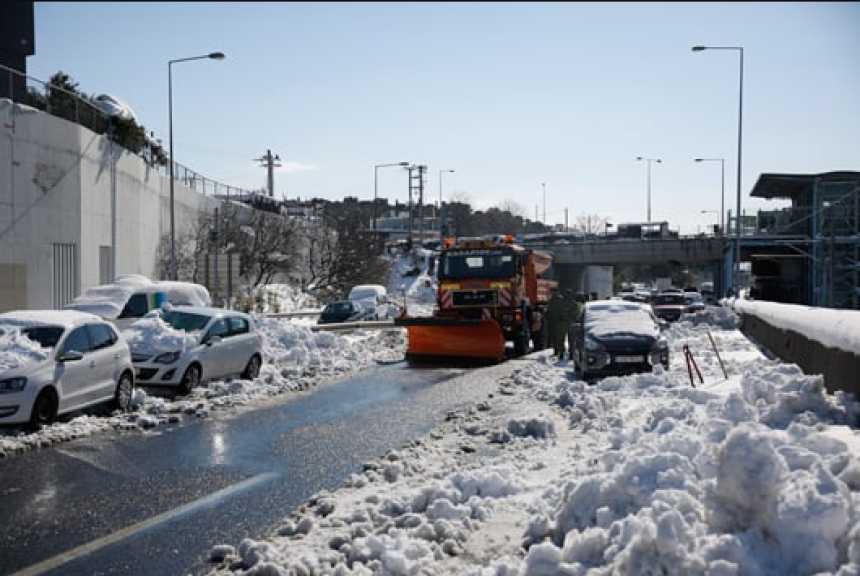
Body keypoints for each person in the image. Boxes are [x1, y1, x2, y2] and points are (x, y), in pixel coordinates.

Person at [546, 289, 568, 359]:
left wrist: (563, 318)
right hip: (553, 322)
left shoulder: (561, 300)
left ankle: (561, 353)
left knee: (560, 339)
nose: (553, 293)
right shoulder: (551, 301)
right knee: (554, 338)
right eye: (552, 292)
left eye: (554, 292)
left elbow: (564, 311)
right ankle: (556, 351)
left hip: (560, 323)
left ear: (557, 292)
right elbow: (549, 310)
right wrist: (547, 315)